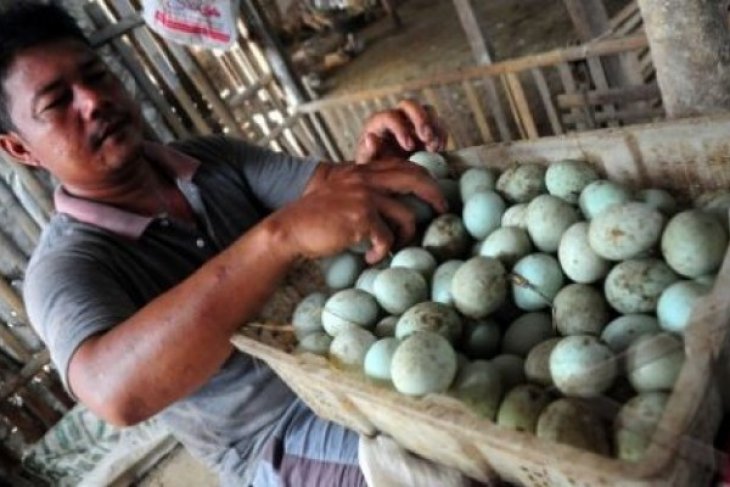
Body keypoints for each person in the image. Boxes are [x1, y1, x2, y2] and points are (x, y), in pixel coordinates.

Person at [0, 3, 452, 486]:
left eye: (96, 75)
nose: (92, 100)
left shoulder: (213, 159)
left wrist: (369, 173)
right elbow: (116, 394)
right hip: (275, 434)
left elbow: (325, 195)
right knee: (442, 476)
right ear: (20, 148)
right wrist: (277, 238)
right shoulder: (66, 268)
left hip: (351, 364)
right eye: (56, 103)